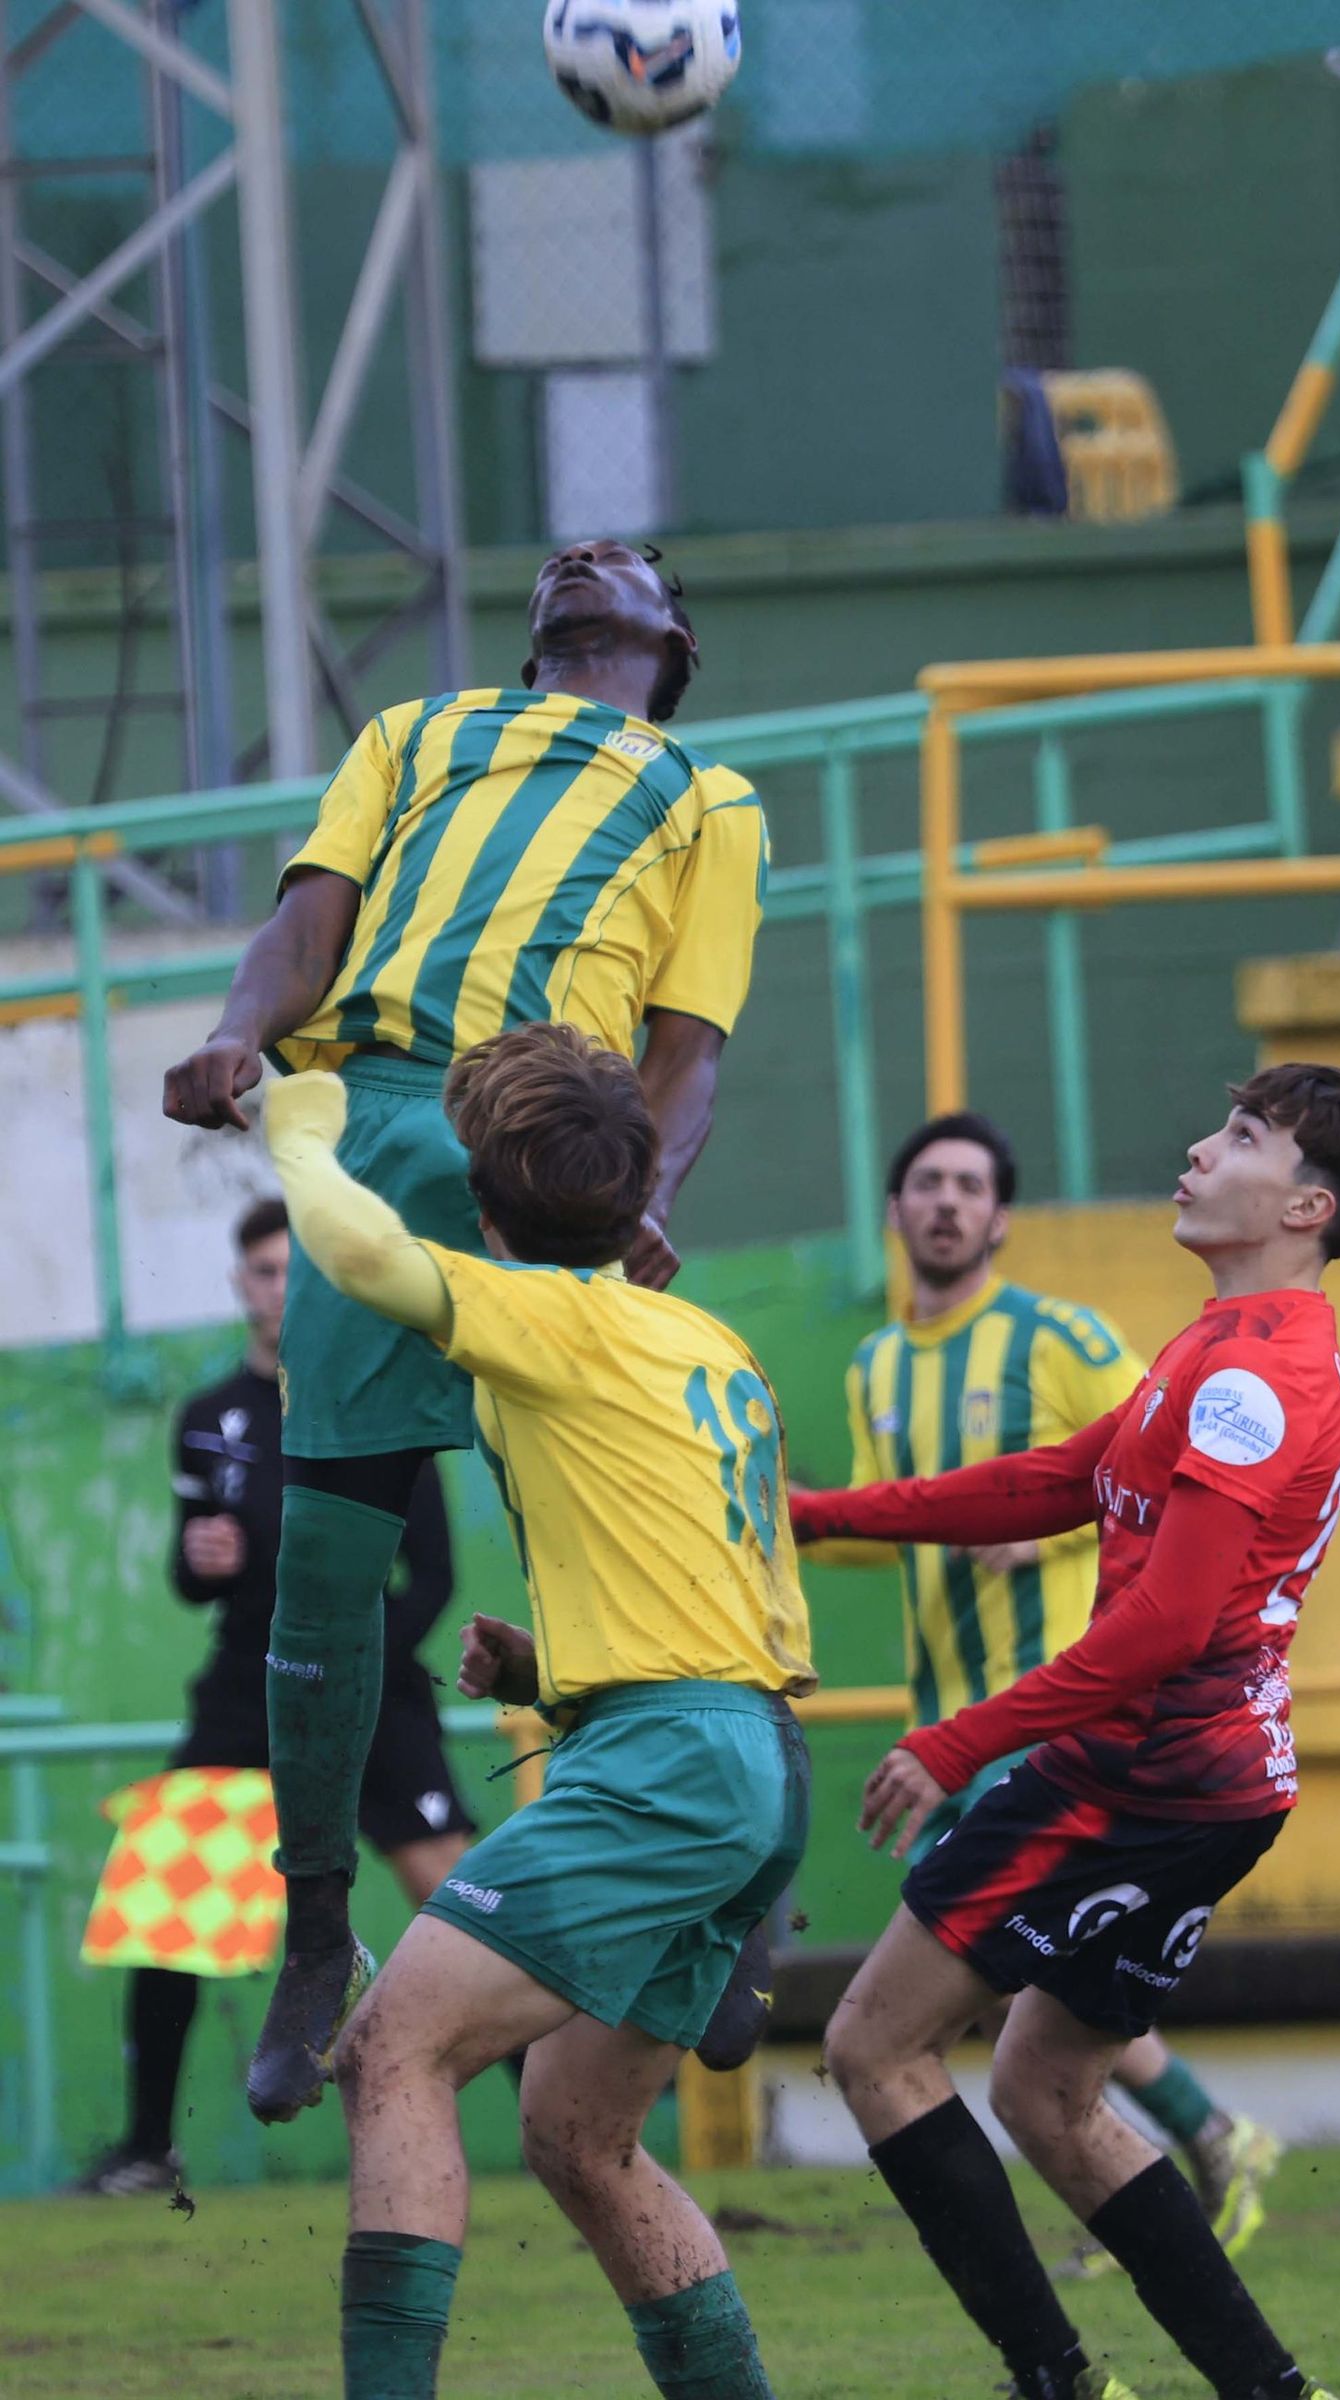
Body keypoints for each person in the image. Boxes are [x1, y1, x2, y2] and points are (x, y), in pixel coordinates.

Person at [161, 539, 772, 2122]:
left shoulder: (707, 796)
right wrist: (236, 1030)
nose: (585, 555)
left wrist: (646, 1187)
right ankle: (316, 1932)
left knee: (638, 1534)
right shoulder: (414, 732)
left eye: (629, 560)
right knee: (323, 1556)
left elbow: (689, 1047)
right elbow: (308, 930)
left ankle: (720, 1899)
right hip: (376, 1111)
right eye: (575, 558)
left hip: (550, 1135)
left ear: (671, 638)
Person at [791, 1065, 1340, 2400]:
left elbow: (1166, 1627)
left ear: (1305, 1207)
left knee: (874, 2047)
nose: (1198, 1149)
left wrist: (959, 1741)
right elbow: (1056, 1481)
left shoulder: (1257, 1375)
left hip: (1140, 1777)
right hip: (1203, 1781)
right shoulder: (1220, 1341)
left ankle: (1056, 2382)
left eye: (1240, 1137)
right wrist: (820, 1515)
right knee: (1043, 2095)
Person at [261, 1021, 813, 2400]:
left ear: (481, 1202)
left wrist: (302, 1131)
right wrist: (552, 1676)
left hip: (660, 1766)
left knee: (390, 2050)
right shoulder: (708, 1341)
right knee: (578, 2138)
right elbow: (735, 1590)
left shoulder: (545, 1314)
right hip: (750, 1752)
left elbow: (362, 1256)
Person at [808, 1110, 1280, 2274]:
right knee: (992, 1990)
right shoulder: (875, 1365)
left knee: (968, 1986)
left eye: (970, 1186)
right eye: (927, 1183)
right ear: (894, 1210)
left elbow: (1152, 1483)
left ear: (1001, 1219)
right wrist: (794, 1522)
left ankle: (1187, 2148)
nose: (947, 1203)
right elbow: (897, 1522)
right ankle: (1184, 2152)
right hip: (951, 1709)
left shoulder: (1059, 1337)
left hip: (1056, 1714)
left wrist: (1047, 1538)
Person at [75, 1198, 473, 2196]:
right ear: (240, 1285)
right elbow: (192, 1573)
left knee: (461, 1896)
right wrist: (199, 1559)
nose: (280, 1290)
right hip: (244, 1693)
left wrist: (353, 1663)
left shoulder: (377, 1403)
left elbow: (431, 1576)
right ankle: (146, 2147)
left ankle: (559, 2112)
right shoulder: (208, 1418)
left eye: (298, 1271)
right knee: (168, 1904)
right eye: (263, 1271)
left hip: (370, 1686)